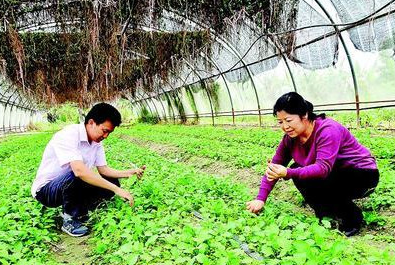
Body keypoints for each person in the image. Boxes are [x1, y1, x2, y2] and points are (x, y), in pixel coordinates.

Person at [246, 92, 379, 236]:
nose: (285, 126)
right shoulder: (289, 139)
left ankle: (352, 218)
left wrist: (287, 173)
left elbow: (323, 169)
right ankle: (326, 213)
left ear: (304, 115)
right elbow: (274, 167)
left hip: (362, 174)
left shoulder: (327, 130)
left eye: (289, 120)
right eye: (280, 122)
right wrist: (260, 199)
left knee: (309, 174)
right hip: (335, 172)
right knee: (298, 170)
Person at [31, 103, 146, 237]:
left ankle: (83, 209)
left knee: (112, 181)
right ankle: (69, 219)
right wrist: (118, 191)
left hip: (72, 184)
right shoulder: (68, 134)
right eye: (104, 131)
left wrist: (130, 172)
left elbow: (104, 170)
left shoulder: (97, 142)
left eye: (109, 132)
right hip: (47, 191)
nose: (106, 136)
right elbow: (79, 171)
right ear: (91, 122)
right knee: (78, 175)